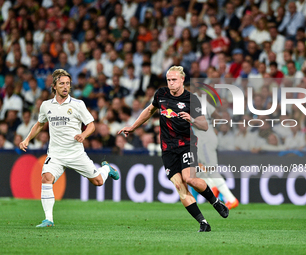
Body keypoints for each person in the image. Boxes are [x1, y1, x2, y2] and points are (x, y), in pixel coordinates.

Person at [118, 66, 229, 232]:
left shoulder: (192, 100)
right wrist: (133, 127)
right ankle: (203, 223)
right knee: (180, 186)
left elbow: (204, 125)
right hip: (168, 149)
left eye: (174, 80)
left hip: (187, 145)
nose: (171, 83)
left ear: (182, 79)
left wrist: (192, 119)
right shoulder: (161, 94)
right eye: (169, 80)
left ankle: (215, 202)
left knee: (189, 179)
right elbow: (149, 110)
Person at [19, 69, 120, 228]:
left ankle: (106, 169)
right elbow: (40, 124)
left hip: (76, 153)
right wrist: (27, 139)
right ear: (54, 86)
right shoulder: (46, 105)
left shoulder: (78, 104)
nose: (65, 87)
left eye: (67, 84)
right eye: (61, 84)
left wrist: (83, 135)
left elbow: (92, 125)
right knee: (46, 177)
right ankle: (48, 220)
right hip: (56, 154)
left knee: (98, 182)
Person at [191, 84, 239, 209]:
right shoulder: (203, 102)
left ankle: (231, 199)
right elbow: (217, 116)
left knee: (211, 170)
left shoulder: (189, 104)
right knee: (199, 169)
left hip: (204, 139)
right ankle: (212, 186)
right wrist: (213, 128)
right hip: (207, 137)